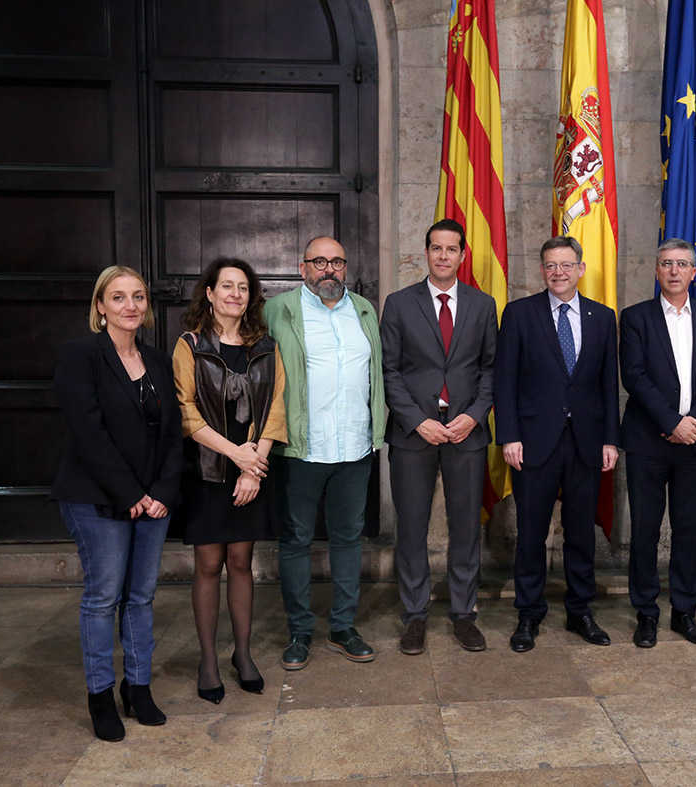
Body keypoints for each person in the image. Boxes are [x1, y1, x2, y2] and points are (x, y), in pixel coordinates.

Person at [52, 266, 182, 741]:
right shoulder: (80, 356)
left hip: (152, 503)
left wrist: (161, 493)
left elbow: (173, 433)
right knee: (103, 598)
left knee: (141, 597)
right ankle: (101, 696)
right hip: (97, 498)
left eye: (139, 297)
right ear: (100, 306)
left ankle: (139, 688)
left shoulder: (158, 360)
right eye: (119, 297)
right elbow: (89, 434)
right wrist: (130, 494)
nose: (131, 305)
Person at [264, 236, 385, 670]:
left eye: (337, 261)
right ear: (303, 268)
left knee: (348, 539)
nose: (329, 269)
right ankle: (299, 631)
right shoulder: (279, 310)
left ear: (346, 267)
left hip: (354, 446)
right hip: (301, 448)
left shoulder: (364, 310)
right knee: (296, 539)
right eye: (319, 261)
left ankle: (343, 626)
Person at [495, 236, 620, 652]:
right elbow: (505, 381)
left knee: (581, 532)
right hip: (533, 442)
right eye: (551, 265)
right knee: (531, 532)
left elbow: (608, 384)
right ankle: (528, 613)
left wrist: (610, 439)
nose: (558, 273)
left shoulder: (602, 317)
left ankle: (580, 610)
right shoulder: (519, 314)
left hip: (586, 442)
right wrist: (509, 435)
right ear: (542, 270)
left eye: (566, 265)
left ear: (580, 269)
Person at [172, 258, 287, 702]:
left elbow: (275, 407)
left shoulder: (266, 346)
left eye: (243, 287)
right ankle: (207, 660)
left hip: (251, 471)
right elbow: (185, 411)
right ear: (210, 293)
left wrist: (253, 465)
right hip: (207, 470)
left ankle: (242, 653)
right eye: (226, 286)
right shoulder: (190, 345)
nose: (235, 294)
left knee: (241, 562)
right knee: (207, 565)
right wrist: (235, 454)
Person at [381, 219, 497, 655]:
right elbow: (389, 371)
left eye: (451, 249)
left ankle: (464, 614)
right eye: (436, 248)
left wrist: (473, 415)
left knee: (465, 527)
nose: (443, 256)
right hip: (414, 435)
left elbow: (490, 369)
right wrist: (416, 420)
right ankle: (414, 615)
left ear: (462, 255)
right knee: (412, 527)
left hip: (466, 432)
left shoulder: (483, 305)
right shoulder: (399, 304)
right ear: (426, 253)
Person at [619, 240, 696, 648]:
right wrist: (671, 422)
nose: (674, 271)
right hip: (649, 441)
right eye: (666, 264)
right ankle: (646, 612)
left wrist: (693, 423)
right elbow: (634, 376)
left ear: (693, 273)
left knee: (687, 529)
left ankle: (685, 611)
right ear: (657, 271)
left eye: (682, 264)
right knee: (645, 529)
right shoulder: (635, 317)